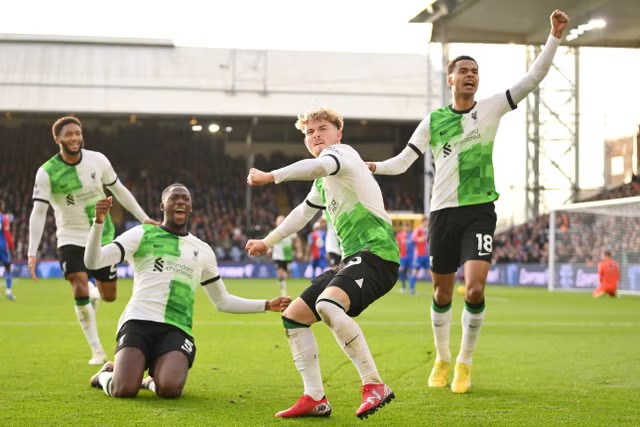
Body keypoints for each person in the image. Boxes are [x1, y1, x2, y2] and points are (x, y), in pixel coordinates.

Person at [368, 10, 570, 394]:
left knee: (474, 290)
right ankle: (442, 357)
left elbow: (533, 78)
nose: (470, 75)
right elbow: (403, 162)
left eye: (474, 70)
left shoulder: (490, 107)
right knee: (442, 293)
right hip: (442, 213)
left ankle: (464, 362)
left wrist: (554, 38)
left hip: (479, 211)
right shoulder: (433, 121)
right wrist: (372, 165)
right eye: (463, 70)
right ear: (451, 79)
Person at [245, 107, 399, 419]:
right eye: (309, 132)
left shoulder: (341, 154)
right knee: (294, 316)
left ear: (338, 133)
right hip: (352, 259)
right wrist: (267, 242)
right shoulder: (325, 181)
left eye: (322, 128)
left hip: (378, 255)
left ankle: (374, 385)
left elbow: (317, 167)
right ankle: (315, 397)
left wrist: (272, 176)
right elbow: (301, 214)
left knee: (328, 305)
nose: (316, 136)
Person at [85, 184, 290, 398]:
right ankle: (104, 375)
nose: (181, 201)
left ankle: (150, 382)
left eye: (185, 199)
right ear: (163, 205)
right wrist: (98, 223)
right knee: (123, 390)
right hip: (138, 321)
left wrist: (266, 304)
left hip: (176, 328)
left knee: (170, 390)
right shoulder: (142, 234)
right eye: (174, 198)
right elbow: (93, 260)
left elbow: (222, 301)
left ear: (190, 208)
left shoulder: (202, 250)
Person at [27, 115, 159, 365]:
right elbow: (39, 212)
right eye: (68, 134)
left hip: (102, 234)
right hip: (70, 237)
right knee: (77, 283)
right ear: (57, 139)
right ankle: (97, 351)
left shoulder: (98, 160)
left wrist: (143, 217)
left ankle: (94, 292)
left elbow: (119, 190)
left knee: (109, 296)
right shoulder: (46, 172)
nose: (74, 138)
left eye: (77, 133)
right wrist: (32, 251)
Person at [272, 215, 295, 297]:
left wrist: (299, 250)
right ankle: (283, 290)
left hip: (288, 257)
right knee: (280, 273)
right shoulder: (273, 232)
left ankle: (284, 286)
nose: (280, 222)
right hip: (277, 257)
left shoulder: (290, 231)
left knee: (288, 276)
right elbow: (269, 243)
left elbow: (296, 240)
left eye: (282, 221)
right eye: (279, 221)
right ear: (276, 223)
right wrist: (269, 249)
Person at [408, 215, 430, 295]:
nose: (427, 223)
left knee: (431, 272)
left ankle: (437, 290)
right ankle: (411, 289)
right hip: (419, 255)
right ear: (423, 221)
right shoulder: (418, 230)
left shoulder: (427, 231)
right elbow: (413, 239)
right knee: (415, 272)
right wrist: (420, 239)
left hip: (426, 254)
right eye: (426, 221)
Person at [0, 201, 16, 300]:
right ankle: (8, 292)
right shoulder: (4, 218)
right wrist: (11, 246)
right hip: (2, 246)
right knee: (8, 267)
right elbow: (7, 234)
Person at [395, 223, 412, 293]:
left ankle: (411, 288)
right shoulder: (399, 235)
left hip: (410, 256)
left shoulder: (410, 235)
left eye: (407, 227)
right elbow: (396, 244)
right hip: (402, 256)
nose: (406, 228)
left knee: (410, 271)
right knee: (401, 271)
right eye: (405, 226)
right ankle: (403, 286)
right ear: (403, 228)